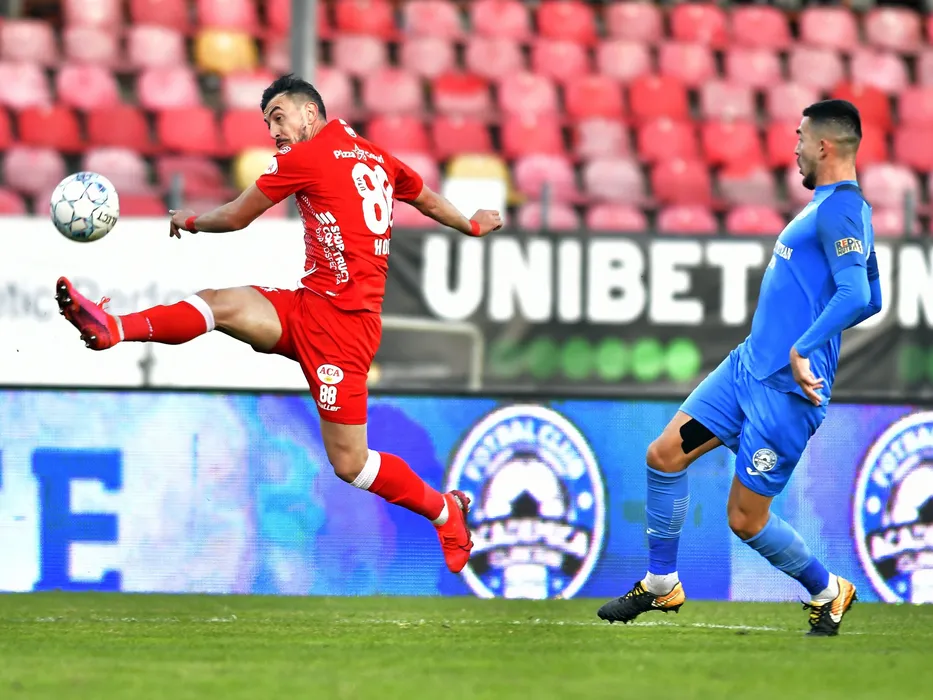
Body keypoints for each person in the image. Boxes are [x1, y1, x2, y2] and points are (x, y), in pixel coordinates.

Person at [54, 74, 503, 575]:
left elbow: (237, 217)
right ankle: (114, 327)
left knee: (351, 464)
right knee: (221, 304)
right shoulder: (376, 157)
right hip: (307, 306)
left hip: (343, 332)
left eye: (278, 117)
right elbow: (426, 198)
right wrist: (471, 224)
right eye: (269, 122)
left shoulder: (307, 157)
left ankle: (444, 510)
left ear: (310, 113)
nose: (274, 131)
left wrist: (191, 220)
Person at [597, 99, 882, 636]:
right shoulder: (835, 208)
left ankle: (828, 590)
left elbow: (856, 295)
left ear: (823, 145)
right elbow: (873, 297)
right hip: (745, 370)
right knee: (663, 455)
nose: (795, 149)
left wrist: (804, 347)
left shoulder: (841, 210)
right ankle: (661, 583)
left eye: (800, 137)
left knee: (745, 520)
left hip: (785, 395)